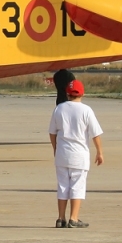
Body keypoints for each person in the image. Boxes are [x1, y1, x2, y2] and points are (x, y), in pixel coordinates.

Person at [48, 80, 104, 228]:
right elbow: (95, 134)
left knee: (63, 186)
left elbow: (52, 132)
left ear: (67, 93)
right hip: (79, 155)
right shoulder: (86, 110)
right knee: (77, 186)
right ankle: (74, 218)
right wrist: (99, 152)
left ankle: (61, 218)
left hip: (62, 154)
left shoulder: (59, 109)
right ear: (82, 93)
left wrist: (56, 148)